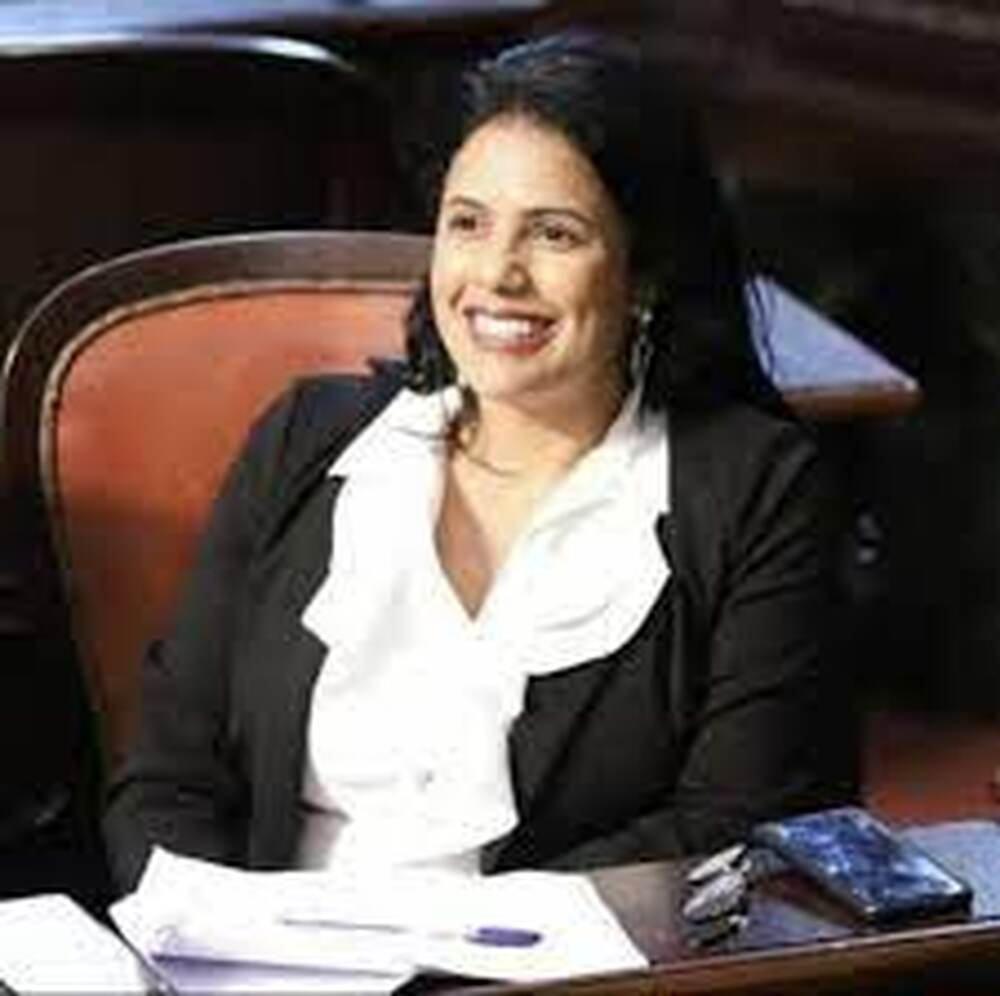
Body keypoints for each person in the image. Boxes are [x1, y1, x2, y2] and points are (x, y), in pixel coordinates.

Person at [103, 32, 856, 894]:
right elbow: (168, 779)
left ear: (646, 270)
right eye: (468, 223)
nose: (498, 273)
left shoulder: (755, 490)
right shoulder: (305, 440)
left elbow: (729, 828)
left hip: (559, 961)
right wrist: (201, 931)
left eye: (555, 234)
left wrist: (439, 945)